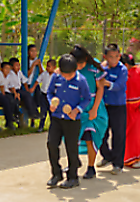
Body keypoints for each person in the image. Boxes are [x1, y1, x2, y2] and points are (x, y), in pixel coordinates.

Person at [46, 53, 91, 189]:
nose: (66, 77)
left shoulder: (81, 80)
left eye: (69, 75)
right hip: (57, 118)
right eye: (64, 74)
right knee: (51, 144)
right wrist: (51, 104)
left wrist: (77, 110)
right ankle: (56, 174)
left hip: (72, 120)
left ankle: (73, 177)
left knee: (71, 148)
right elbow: (49, 93)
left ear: (75, 70)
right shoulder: (56, 77)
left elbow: (87, 99)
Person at [70, 45, 108, 179]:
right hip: (76, 107)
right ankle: (74, 161)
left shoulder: (94, 68)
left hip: (92, 106)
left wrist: (95, 109)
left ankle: (91, 167)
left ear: (86, 59)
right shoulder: (70, 67)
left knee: (89, 137)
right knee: (71, 137)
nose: (79, 66)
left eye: (80, 63)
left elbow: (100, 89)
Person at [96, 43, 129, 175]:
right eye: (111, 57)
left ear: (119, 56)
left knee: (118, 135)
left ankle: (117, 164)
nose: (114, 59)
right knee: (101, 134)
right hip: (104, 106)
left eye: (116, 56)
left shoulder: (122, 70)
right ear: (105, 57)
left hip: (118, 106)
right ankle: (107, 156)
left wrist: (107, 83)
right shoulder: (103, 68)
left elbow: (119, 86)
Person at [34, 58, 55, 132]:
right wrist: (33, 88)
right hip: (43, 95)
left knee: (51, 112)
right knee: (43, 111)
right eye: (47, 66)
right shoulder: (44, 74)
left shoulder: (56, 76)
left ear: (54, 67)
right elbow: (37, 81)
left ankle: (53, 128)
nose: (47, 68)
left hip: (52, 96)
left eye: (49, 66)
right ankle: (41, 127)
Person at [27, 44, 44, 125]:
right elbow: (27, 74)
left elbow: (42, 73)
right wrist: (33, 65)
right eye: (32, 51)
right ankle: (32, 120)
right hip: (28, 83)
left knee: (37, 100)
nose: (34, 53)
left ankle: (35, 119)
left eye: (35, 51)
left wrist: (39, 65)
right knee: (30, 100)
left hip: (35, 84)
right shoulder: (26, 61)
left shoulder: (38, 60)